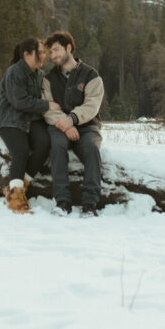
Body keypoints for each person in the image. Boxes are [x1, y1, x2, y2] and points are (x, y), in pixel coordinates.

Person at [0, 37, 62, 214]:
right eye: (39, 52)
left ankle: (21, 184)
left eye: (43, 52)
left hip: (31, 119)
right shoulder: (15, 72)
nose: (43, 55)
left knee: (44, 143)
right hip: (10, 119)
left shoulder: (38, 74)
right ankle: (15, 195)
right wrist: (47, 106)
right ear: (26, 54)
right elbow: (19, 101)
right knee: (21, 150)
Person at [42, 31, 105, 216]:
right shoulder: (48, 79)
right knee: (58, 146)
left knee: (92, 150)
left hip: (87, 127)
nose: (53, 56)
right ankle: (62, 202)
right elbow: (47, 108)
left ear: (68, 48)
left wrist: (73, 119)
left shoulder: (91, 75)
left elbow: (92, 105)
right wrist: (66, 124)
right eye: (50, 52)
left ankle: (90, 204)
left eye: (56, 50)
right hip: (59, 127)